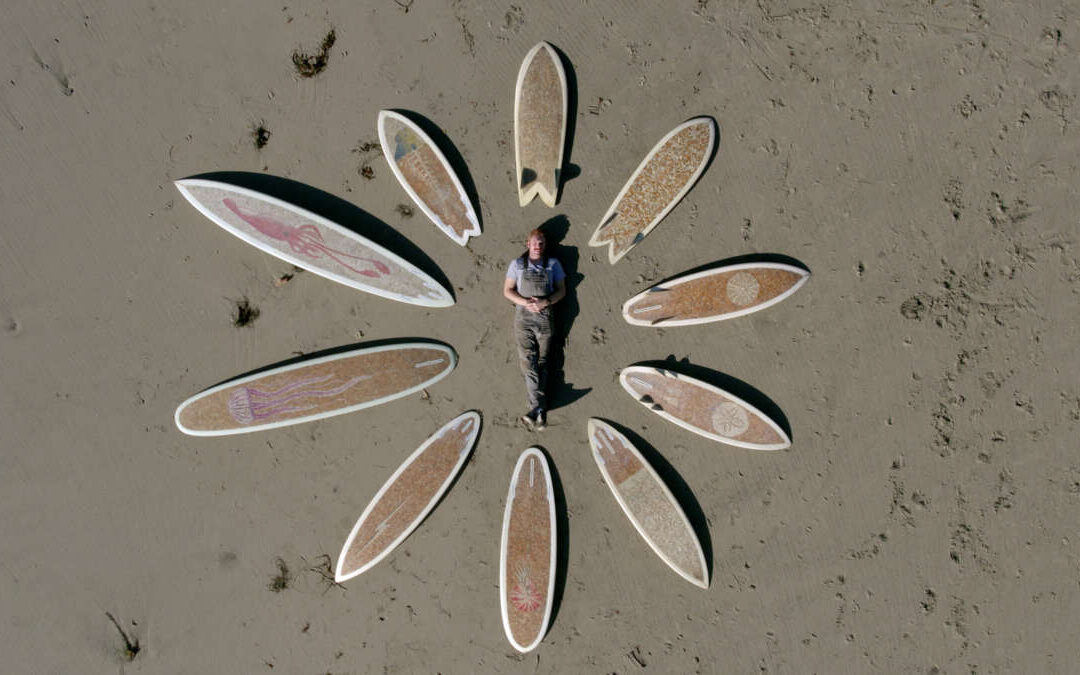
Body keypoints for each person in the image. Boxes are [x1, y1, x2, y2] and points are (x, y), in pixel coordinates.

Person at [503, 228, 566, 430]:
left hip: (546, 318)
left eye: (541, 243)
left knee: (543, 362)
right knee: (528, 361)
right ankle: (537, 407)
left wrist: (545, 301)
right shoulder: (518, 265)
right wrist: (524, 302)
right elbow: (507, 291)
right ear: (527, 244)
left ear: (544, 246)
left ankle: (537, 411)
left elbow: (562, 291)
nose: (537, 247)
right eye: (534, 243)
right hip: (523, 319)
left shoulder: (553, 264)